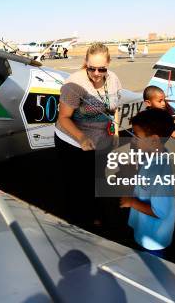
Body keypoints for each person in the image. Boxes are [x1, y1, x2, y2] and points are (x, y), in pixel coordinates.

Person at [55, 43, 122, 227]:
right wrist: (81, 138)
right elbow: (63, 118)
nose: (97, 73)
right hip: (74, 140)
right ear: (86, 63)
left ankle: (94, 213)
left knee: (97, 178)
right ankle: (79, 222)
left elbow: (114, 108)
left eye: (102, 69)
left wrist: (115, 132)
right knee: (78, 185)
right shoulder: (74, 85)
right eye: (92, 68)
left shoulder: (114, 79)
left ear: (108, 63)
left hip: (101, 139)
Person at [119, 109, 175, 258]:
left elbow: (160, 212)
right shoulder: (155, 154)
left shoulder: (160, 172)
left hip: (153, 239)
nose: (133, 140)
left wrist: (131, 202)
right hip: (145, 227)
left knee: (151, 269)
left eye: (136, 136)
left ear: (154, 140)